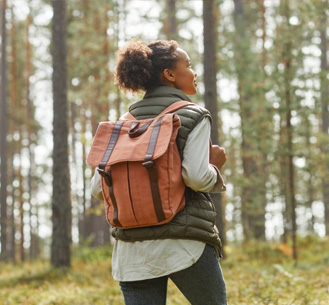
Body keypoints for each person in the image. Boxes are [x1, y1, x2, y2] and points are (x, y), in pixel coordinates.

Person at [91, 38, 227, 305]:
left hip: (132, 253)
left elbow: (97, 189)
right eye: (188, 65)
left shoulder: (122, 125)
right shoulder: (193, 115)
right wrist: (215, 167)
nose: (194, 71)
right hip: (183, 243)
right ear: (170, 74)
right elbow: (197, 177)